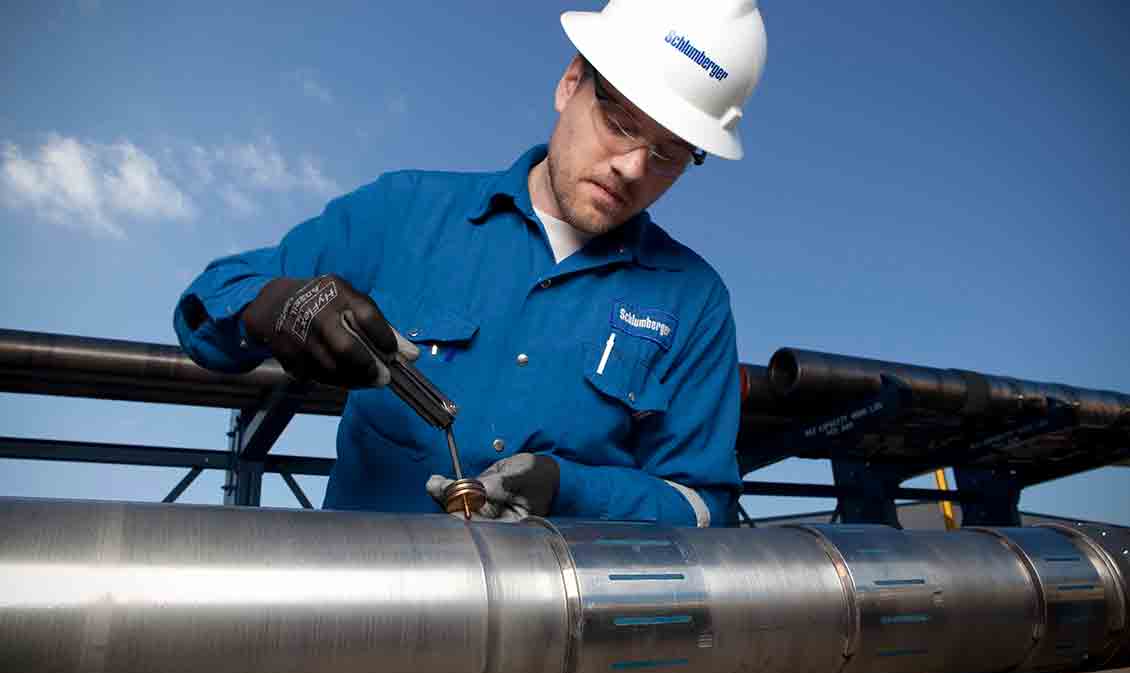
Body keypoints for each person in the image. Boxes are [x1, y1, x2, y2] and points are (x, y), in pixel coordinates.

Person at [174, 1, 767, 526]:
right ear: (570, 82)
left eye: (668, 155)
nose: (633, 169)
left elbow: (703, 508)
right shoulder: (406, 212)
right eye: (620, 124)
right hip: (364, 619)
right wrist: (279, 308)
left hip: (560, 634)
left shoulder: (693, 300)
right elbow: (211, 310)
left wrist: (572, 490)